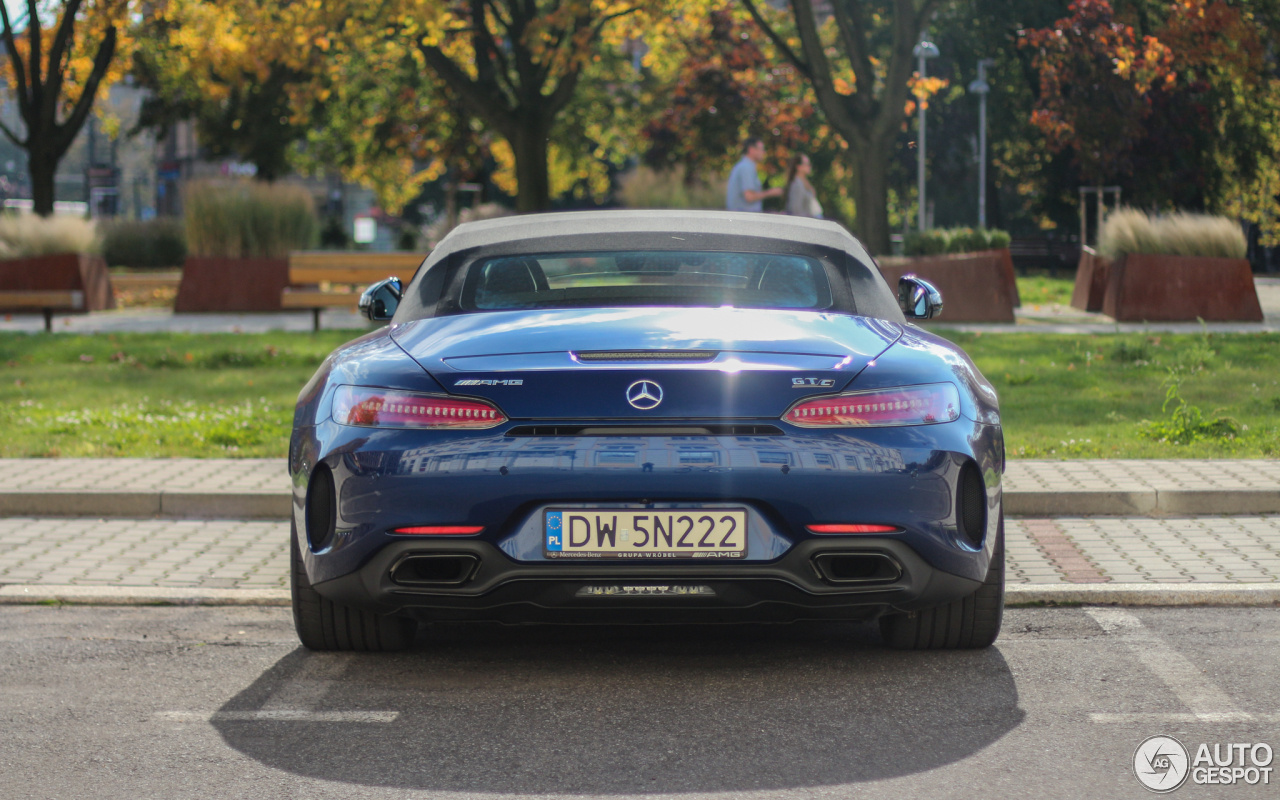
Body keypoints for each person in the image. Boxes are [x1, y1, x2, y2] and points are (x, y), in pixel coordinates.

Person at [725, 137, 783, 212]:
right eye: (761, 149)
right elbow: (749, 197)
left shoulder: (745, 166)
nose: (764, 152)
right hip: (744, 218)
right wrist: (771, 192)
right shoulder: (746, 168)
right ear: (751, 150)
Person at [784, 154, 823, 218]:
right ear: (799, 167)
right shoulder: (797, 184)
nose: (810, 166)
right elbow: (795, 209)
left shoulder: (803, 182)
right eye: (807, 164)